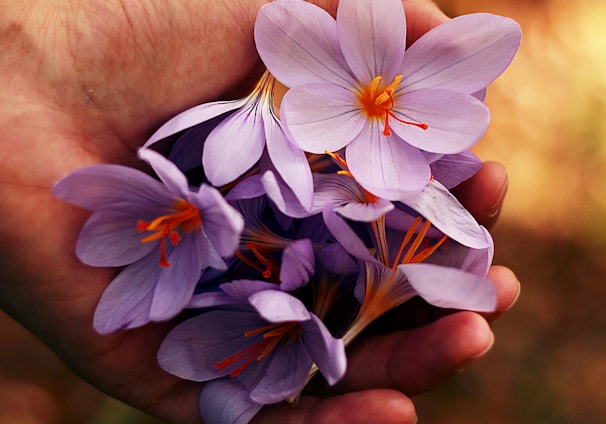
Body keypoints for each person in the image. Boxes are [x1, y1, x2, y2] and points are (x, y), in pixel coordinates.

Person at [0, 1, 520, 423]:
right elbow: (294, 66)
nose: (384, 95)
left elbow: (387, 176)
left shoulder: (375, 171)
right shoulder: (317, 133)